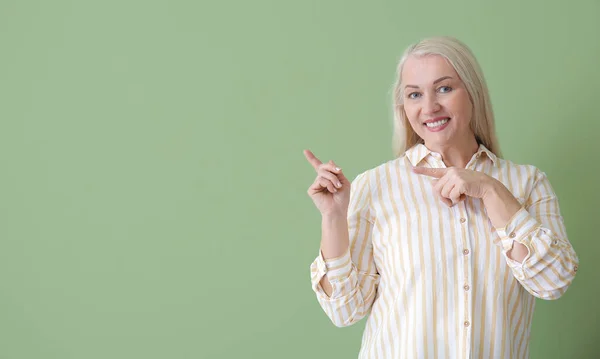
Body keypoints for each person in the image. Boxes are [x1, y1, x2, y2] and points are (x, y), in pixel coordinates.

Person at [303, 36, 579, 359]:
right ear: (403, 106)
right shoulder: (376, 186)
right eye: (415, 94)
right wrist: (333, 218)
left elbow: (554, 280)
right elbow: (344, 310)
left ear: (472, 93)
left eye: (444, 88)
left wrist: (491, 190)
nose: (430, 107)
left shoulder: (527, 184)